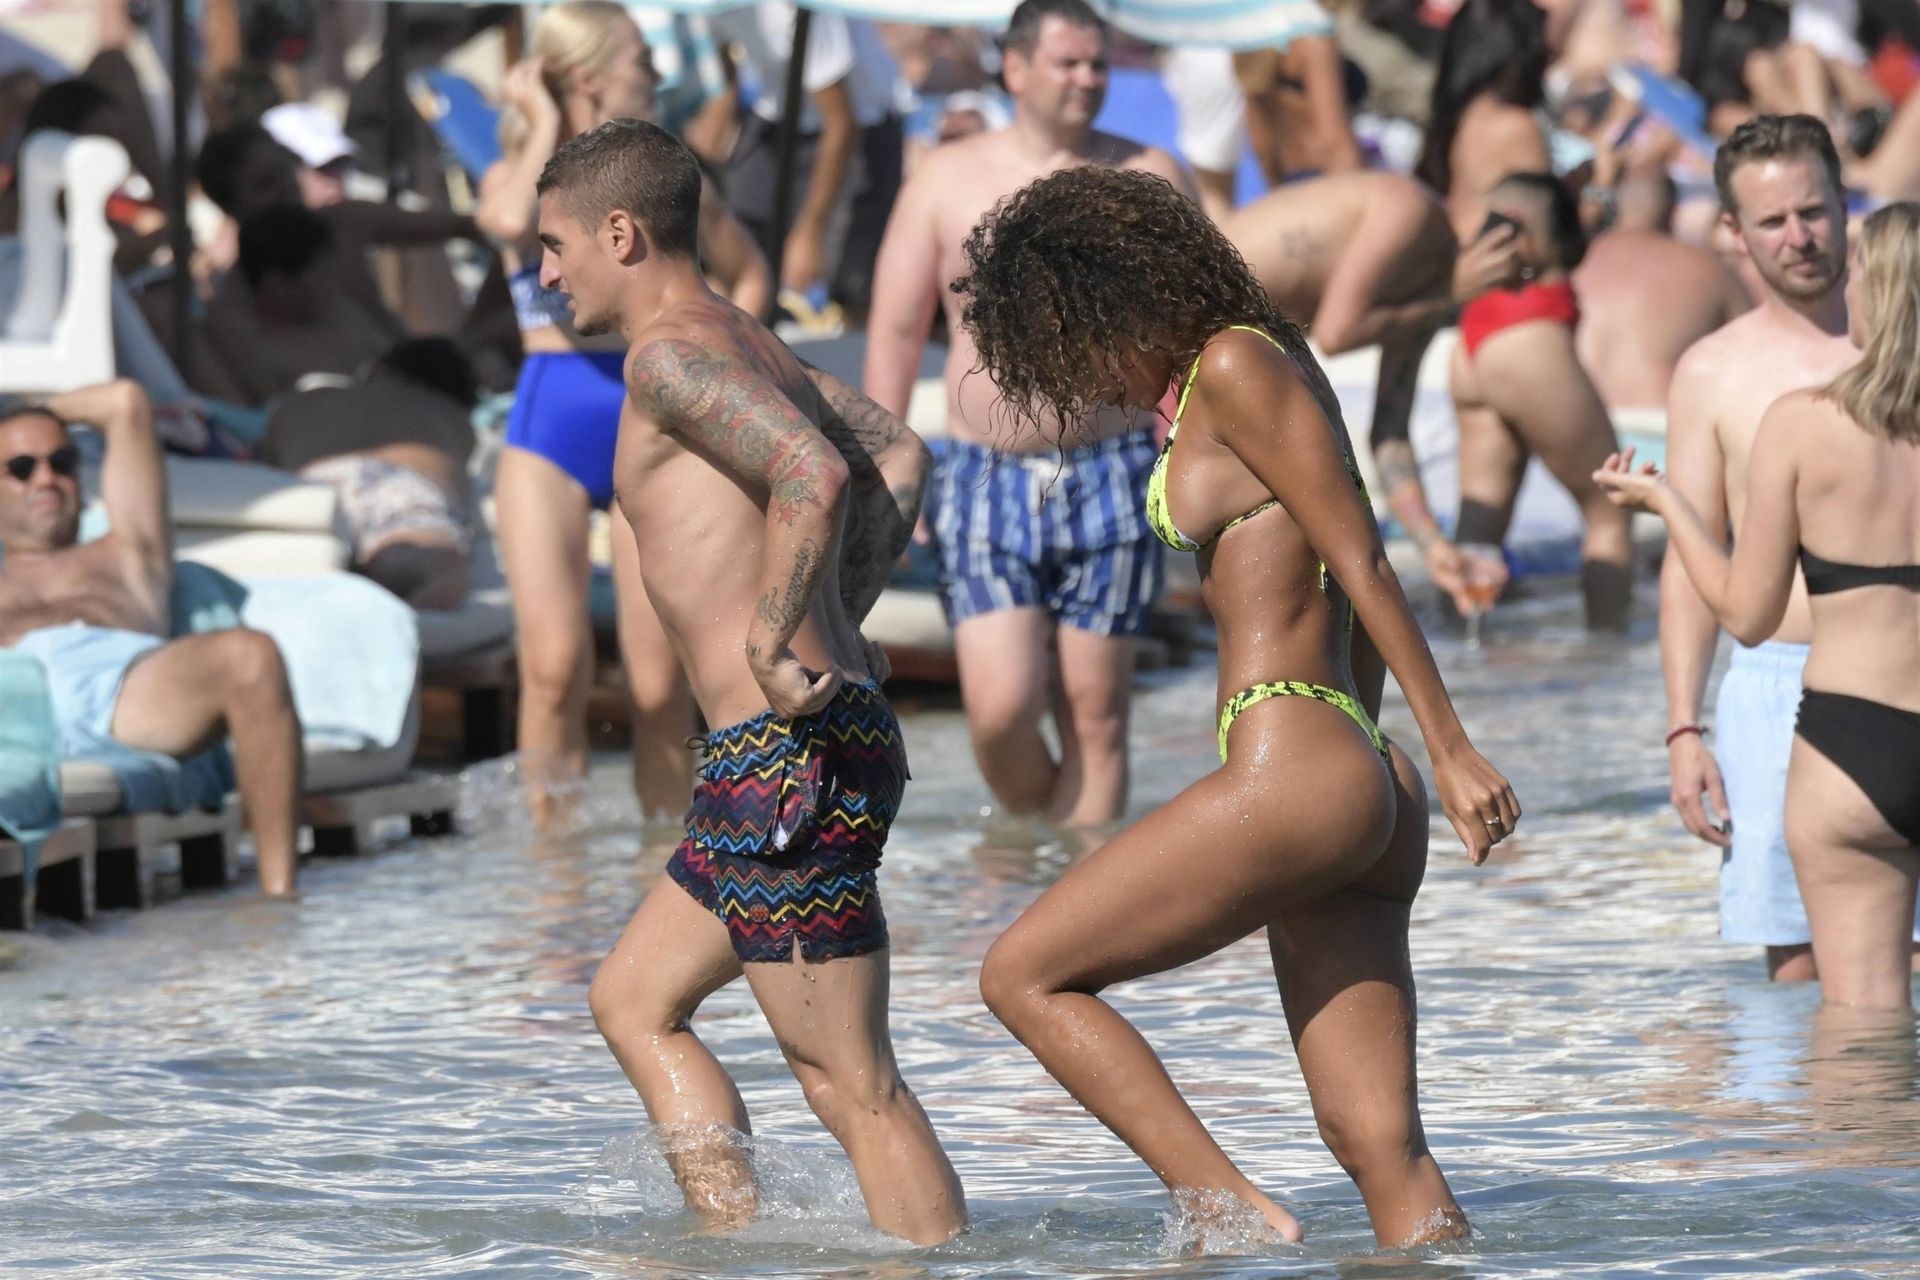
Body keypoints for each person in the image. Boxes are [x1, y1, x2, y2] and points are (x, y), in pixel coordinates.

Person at [957, 165, 1520, 1245]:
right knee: (1375, 1141)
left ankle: (1226, 1210)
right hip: (1348, 769)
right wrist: (1380, 764)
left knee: (1021, 975)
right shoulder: (1267, 356)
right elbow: (1342, 560)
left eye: (1077, 343)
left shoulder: (1234, 365)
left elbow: (1363, 558)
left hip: (1298, 762)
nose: (1085, 377)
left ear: (1117, 298)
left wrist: (1450, 748)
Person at [536, 117, 961, 1243]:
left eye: (554, 246)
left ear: (618, 233)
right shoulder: (744, 339)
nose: (546, 275)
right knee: (633, 1000)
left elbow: (815, 471)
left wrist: (779, 641)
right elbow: (898, 452)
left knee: (852, 1086)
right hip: (781, 755)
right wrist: (842, 623)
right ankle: (729, 1247)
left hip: (785, 756)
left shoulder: (667, 357)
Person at [863, 0, 1193, 828]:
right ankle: (1045, 856)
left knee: (1096, 711)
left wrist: (1186, 442)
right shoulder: (945, 179)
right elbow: (896, 330)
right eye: (1068, 62)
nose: (1087, 78)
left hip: (1114, 469)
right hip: (986, 476)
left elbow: (1196, 322)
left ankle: (1082, 883)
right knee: (1001, 711)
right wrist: (886, 469)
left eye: (1097, 63)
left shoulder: (1146, 173)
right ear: (1014, 69)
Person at [1596, 201, 1920, 1011]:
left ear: (1878, 291)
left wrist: (1668, 505)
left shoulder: (1803, 424)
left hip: (1853, 743)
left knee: (1860, 1020)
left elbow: (1747, 613)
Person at [475, 0, 771, 827]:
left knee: (656, 682)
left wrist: (720, 358)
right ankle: (554, 870)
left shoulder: (654, 179)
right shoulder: (519, 173)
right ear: (592, 74)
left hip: (647, 412)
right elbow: (505, 222)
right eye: (643, 57)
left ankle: (662, 860)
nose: (659, 73)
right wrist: (542, 119)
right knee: (551, 668)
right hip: (551, 417)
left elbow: (750, 270)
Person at [0, 381, 302, 897]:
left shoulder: (126, 553)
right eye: (22, 468)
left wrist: (33, 411)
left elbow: (125, 404)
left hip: (125, 693)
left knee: (251, 655)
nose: (46, 478)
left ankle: (279, 900)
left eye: (62, 462)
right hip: (16, 708)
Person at [1220, 169, 1522, 614]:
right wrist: (1448, 296)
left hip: (1229, 345)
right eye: (1524, 269)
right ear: (1502, 238)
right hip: (1185, 301)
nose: (1516, 286)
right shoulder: (1413, 210)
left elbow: (1391, 432)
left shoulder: (1427, 288)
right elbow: (1337, 333)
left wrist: (1433, 547)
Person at [1446, 171, 1635, 628]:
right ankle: (1610, 648)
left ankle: (1461, 646)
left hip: (1471, 347)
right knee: (1611, 509)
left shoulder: (1480, 268)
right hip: (1528, 346)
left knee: (1479, 526)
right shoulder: (1537, 250)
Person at [708, 2, 903, 318]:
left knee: (847, 286)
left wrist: (810, 233)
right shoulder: (707, 7)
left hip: (859, 126)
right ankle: (733, 340)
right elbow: (725, 77)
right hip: (776, 114)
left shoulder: (793, 10)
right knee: (729, 250)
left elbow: (842, 122)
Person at [261, 338, 479, 610]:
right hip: (406, 487)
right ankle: (399, 612)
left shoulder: (302, 403)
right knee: (434, 564)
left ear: (377, 368)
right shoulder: (453, 418)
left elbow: (267, 465)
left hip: (316, 485)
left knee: (313, 553)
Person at [1573, 174, 1753, 412]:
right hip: (1657, 423)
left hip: (1579, 422)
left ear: (1615, 209)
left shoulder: (1573, 264)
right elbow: (1753, 355)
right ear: (1673, 213)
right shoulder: (1705, 269)